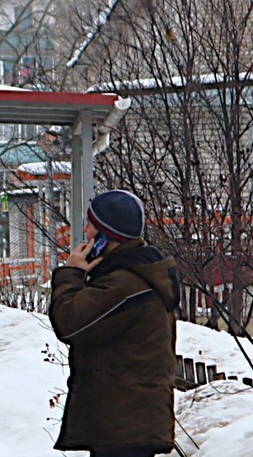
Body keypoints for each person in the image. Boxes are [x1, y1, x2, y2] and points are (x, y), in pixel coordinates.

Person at [49, 190, 181, 457]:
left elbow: (70, 322)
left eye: (90, 225)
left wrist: (71, 273)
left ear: (105, 235)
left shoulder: (126, 284)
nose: (84, 231)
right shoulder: (128, 275)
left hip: (126, 426)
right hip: (125, 423)